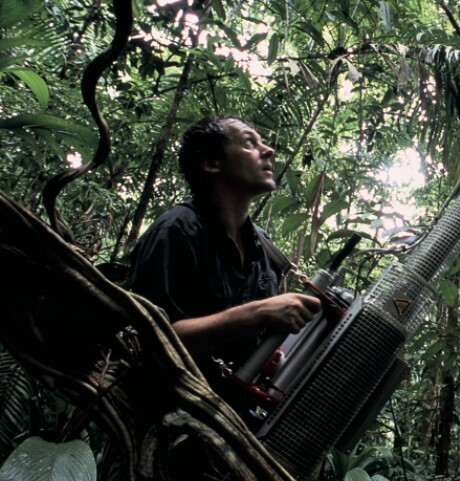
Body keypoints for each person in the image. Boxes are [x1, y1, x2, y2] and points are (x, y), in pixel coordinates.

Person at [129, 115, 320, 400]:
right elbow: (151, 338)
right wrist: (258, 312)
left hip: (236, 423)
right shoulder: (177, 231)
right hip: (171, 416)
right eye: (249, 143)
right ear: (211, 163)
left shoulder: (263, 250)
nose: (268, 150)